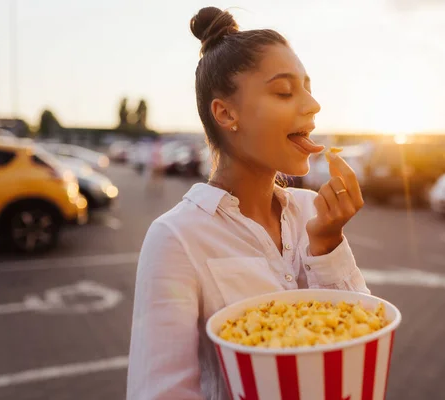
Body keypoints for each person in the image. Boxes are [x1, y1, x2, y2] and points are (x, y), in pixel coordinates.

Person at [127, 7, 370, 400]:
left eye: (308, 88)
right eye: (284, 91)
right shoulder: (176, 239)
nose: (313, 105)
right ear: (226, 113)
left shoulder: (313, 212)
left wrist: (327, 245)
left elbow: (361, 342)